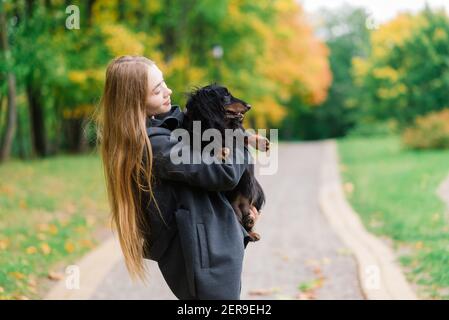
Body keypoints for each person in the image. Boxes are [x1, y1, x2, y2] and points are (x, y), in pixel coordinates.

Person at [98, 55, 260, 299]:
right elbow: (223, 173)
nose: (168, 91)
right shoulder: (153, 146)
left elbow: (209, 123)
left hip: (210, 244)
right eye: (157, 90)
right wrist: (237, 137)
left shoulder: (170, 124)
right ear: (135, 101)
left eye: (163, 83)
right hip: (200, 254)